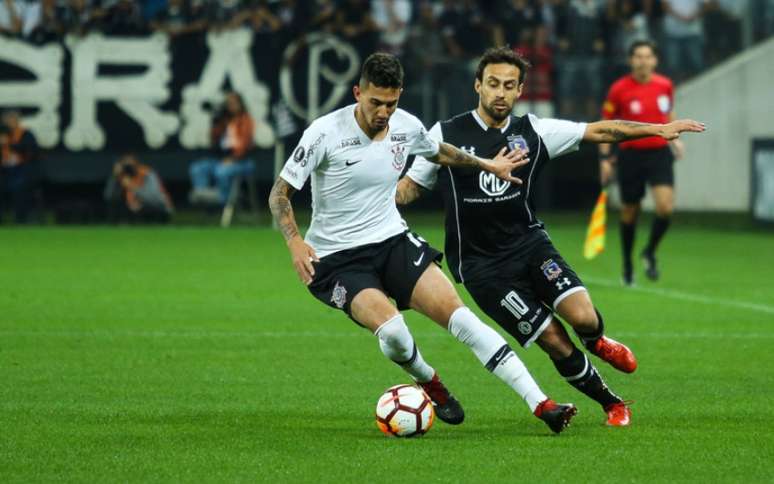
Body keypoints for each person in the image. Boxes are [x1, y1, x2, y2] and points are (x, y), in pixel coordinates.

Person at [269, 53, 578, 434]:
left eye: (391, 103)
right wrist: (295, 241)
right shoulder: (324, 132)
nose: (383, 112)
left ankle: (542, 404)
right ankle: (429, 380)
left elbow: (441, 152)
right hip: (337, 258)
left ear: (400, 95)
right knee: (395, 333)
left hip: (392, 240)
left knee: (462, 318)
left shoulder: (406, 125)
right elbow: (280, 193)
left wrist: (488, 165)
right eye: (375, 102)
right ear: (357, 92)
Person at [396, 46, 704, 426]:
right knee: (554, 339)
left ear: (520, 90)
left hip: (529, 245)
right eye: (493, 83)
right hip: (482, 266)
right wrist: (378, 194)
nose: (500, 93)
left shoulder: (534, 131)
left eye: (509, 85)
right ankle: (612, 403)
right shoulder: (446, 134)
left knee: (584, 317)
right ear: (478, 85)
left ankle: (596, 341)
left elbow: (600, 130)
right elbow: (410, 187)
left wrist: (658, 129)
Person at [600, 40, 682, 285]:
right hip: (630, 155)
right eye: (638, 56)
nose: (643, 61)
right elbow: (605, 124)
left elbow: (669, 113)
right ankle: (627, 265)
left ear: (655, 60)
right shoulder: (619, 89)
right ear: (631, 60)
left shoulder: (665, 85)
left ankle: (649, 251)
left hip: (659, 153)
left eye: (647, 56)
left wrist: (675, 138)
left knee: (665, 208)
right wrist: (605, 158)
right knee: (629, 212)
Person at [189, 92, 256, 206]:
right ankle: (204, 197)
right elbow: (214, 141)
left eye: (233, 103)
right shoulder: (223, 120)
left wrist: (233, 159)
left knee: (222, 172)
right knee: (197, 168)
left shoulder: (245, 120)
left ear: (240, 104)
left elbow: (245, 145)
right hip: (221, 159)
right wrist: (216, 121)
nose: (231, 106)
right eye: (228, 104)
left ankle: (226, 199)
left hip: (242, 161)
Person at [103, 153, 174, 223]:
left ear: (136, 163)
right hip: (141, 209)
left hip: (160, 207)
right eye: (126, 164)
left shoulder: (147, 173)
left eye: (131, 164)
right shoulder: (125, 177)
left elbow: (154, 197)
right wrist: (115, 176)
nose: (129, 167)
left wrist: (132, 187)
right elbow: (108, 195)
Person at [0, 110, 38, 224]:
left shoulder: (26, 134)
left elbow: (31, 152)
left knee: (19, 188)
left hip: (21, 170)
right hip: (3, 171)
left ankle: (20, 219)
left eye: (12, 120)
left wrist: (10, 144)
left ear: (18, 121)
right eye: (6, 120)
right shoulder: (2, 134)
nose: (9, 122)